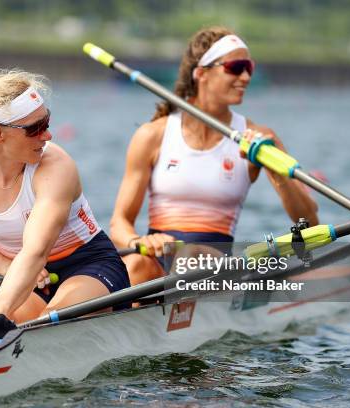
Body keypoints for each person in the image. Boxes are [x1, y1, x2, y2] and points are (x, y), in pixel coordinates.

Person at [110, 27, 319, 285]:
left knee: (192, 254)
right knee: (135, 263)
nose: (245, 77)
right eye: (236, 67)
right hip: (159, 258)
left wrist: (274, 169)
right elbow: (119, 222)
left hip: (216, 267)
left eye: (249, 68)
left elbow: (309, 220)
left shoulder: (257, 138)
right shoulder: (152, 135)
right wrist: (138, 241)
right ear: (201, 73)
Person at [0, 69, 130, 336]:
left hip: (88, 265)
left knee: (47, 324)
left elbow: (36, 251)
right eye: (35, 129)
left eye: (46, 122)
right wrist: (5, 266)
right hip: (25, 276)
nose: (47, 135)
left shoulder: (56, 167)